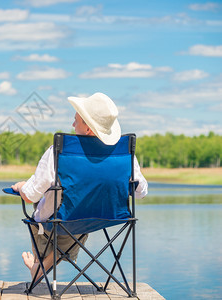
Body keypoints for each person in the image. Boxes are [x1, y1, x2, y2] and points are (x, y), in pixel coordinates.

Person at [11, 92, 148, 281]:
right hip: (108, 219)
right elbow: (141, 192)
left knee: (46, 215)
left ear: (89, 129)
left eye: (76, 120)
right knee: (74, 221)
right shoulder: (125, 154)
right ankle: (44, 264)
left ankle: (39, 265)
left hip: (62, 221)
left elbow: (31, 195)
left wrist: (21, 186)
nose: (72, 125)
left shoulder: (60, 151)